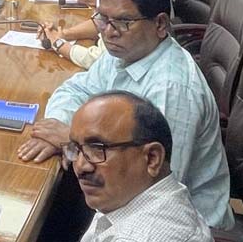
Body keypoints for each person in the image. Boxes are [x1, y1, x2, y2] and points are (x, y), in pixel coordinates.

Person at [17, 0, 232, 228]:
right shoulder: (126, 49)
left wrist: (72, 142)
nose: (108, 32)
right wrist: (57, 128)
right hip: (120, 191)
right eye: (102, 19)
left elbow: (158, 188)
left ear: (160, 24)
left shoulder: (171, 89)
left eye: (122, 22)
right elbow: (75, 90)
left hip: (172, 223)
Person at [68, 92, 211, 242]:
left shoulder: (139, 237)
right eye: (76, 148)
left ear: (152, 158)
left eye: (98, 148)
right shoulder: (127, 197)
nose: (80, 166)